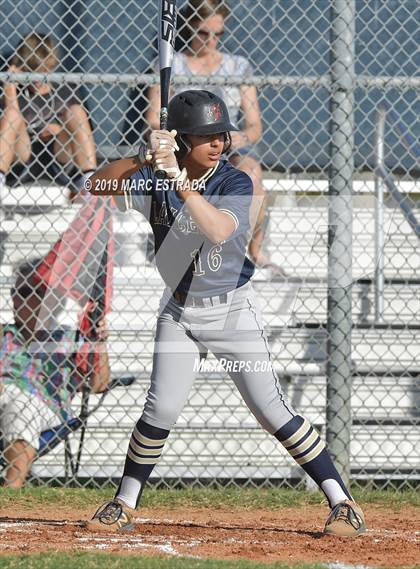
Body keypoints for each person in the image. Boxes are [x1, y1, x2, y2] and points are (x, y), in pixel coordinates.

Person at [87, 90, 365, 537]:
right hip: (179, 312)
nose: (218, 142)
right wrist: (143, 158)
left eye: (221, 134)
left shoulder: (235, 182)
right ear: (182, 140)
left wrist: (177, 178)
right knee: (161, 408)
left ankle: (342, 502)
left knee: (271, 410)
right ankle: (123, 503)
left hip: (231, 312)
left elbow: (217, 229)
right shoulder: (154, 178)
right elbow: (96, 184)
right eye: (205, 136)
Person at [146, 0, 285, 277]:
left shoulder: (238, 67)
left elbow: (254, 125)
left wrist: (235, 139)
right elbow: (153, 118)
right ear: (189, 27)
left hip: (226, 145)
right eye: (203, 33)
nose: (210, 41)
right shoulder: (172, 64)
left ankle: (251, 250)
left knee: (251, 174)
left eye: (217, 34)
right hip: (186, 146)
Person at [0, 258, 110, 488]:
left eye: (26, 292)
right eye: (15, 291)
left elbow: (98, 385)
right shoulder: (3, 334)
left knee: (22, 405)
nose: (16, 298)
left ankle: (10, 492)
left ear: (48, 298)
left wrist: (99, 342)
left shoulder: (68, 339)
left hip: (45, 405)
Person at [0, 32, 97, 203]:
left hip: (59, 153)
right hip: (24, 155)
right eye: (31, 71)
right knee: (12, 114)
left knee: (75, 111)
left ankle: (90, 186)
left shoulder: (66, 89)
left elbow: (85, 131)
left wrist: (59, 129)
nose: (37, 79)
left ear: (52, 65)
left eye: (43, 71)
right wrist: (10, 86)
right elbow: (9, 128)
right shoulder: (15, 93)